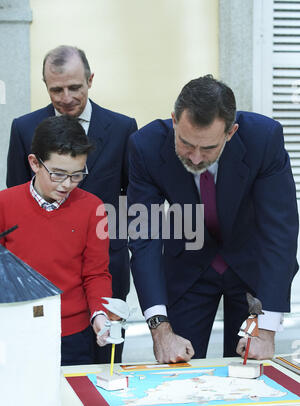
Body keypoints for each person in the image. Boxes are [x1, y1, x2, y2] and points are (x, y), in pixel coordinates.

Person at [127, 75, 299, 363]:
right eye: (185, 143)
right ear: (173, 121)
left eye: (207, 149)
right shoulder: (144, 146)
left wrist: (267, 328)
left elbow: (279, 230)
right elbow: (144, 236)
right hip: (187, 268)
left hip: (250, 268)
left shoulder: (263, 139)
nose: (194, 158)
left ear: (230, 133)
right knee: (178, 367)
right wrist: (159, 328)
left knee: (249, 373)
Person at [6, 45, 137, 363]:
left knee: (103, 358)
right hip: (37, 276)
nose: (66, 97)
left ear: (90, 80)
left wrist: (106, 235)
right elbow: (18, 193)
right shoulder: (24, 128)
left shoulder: (122, 128)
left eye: (74, 87)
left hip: (103, 264)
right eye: (56, 89)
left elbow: (132, 195)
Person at [0, 115, 120, 365]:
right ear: (34, 162)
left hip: (72, 335)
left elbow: (96, 273)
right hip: (15, 331)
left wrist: (100, 314)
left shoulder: (93, 208)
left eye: (77, 175)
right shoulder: (5, 204)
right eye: (58, 174)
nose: (67, 184)